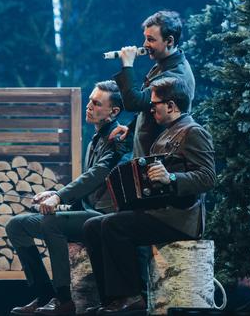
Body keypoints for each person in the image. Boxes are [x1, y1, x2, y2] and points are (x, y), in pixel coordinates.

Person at [82, 77, 215, 315]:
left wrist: (171, 178)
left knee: (114, 225)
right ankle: (110, 299)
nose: (150, 109)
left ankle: (132, 296)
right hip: (158, 212)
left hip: (178, 218)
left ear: (171, 106)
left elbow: (207, 177)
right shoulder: (166, 134)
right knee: (92, 225)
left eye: (154, 104)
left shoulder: (193, 132)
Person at [5, 81, 130, 316]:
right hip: (86, 214)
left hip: (104, 218)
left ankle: (63, 299)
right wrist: (55, 196)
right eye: (90, 100)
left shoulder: (119, 140)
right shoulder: (95, 140)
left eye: (96, 103)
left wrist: (58, 196)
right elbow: (86, 187)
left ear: (113, 112)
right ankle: (44, 294)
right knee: (16, 226)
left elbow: (97, 175)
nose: (89, 106)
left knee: (50, 222)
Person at [111, 10, 195, 157]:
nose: (145, 44)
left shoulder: (176, 75)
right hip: (147, 154)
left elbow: (135, 102)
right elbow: (147, 105)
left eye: (150, 39)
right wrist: (132, 129)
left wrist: (127, 65)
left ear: (169, 41)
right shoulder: (163, 64)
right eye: (145, 38)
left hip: (159, 159)